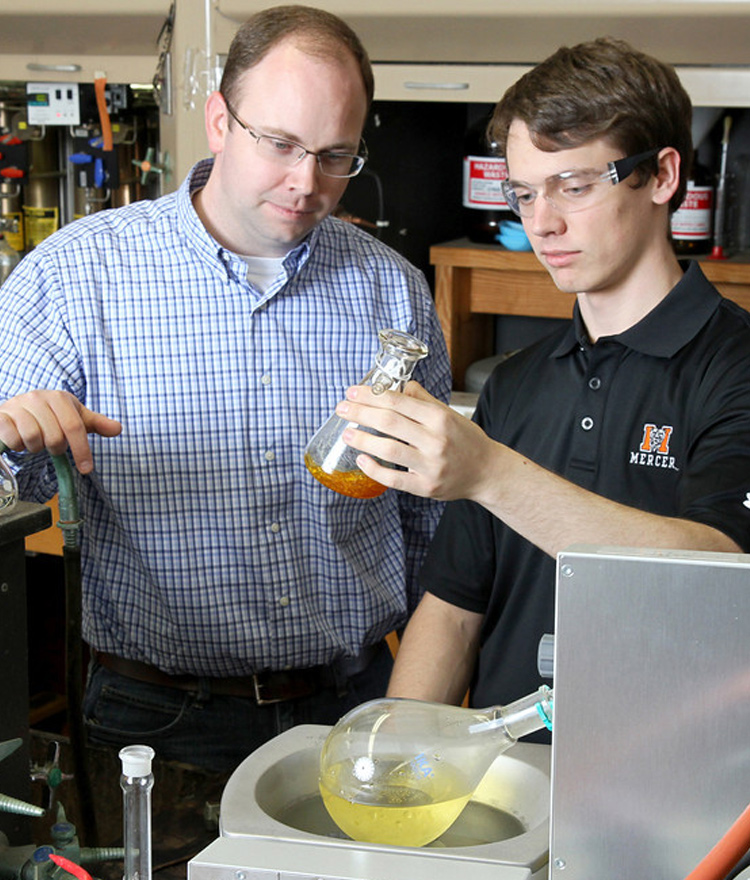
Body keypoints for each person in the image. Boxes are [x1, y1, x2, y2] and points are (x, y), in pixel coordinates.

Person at [0, 5, 451, 773]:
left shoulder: (394, 292)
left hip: (357, 703)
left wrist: (419, 705)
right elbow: (13, 489)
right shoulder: (75, 277)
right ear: (219, 120)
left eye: (336, 155)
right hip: (159, 718)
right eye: (280, 144)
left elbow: (433, 527)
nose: (306, 182)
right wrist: (9, 436)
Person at [333, 37, 750, 735]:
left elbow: (719, 576)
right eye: (524, 193)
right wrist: (394, 758)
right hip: (506, 782)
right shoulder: (516, 385)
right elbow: (454, 610)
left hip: (681, 792)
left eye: (575, 186)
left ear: (663, 175)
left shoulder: (734, 366)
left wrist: (490, 472)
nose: (542, 221)